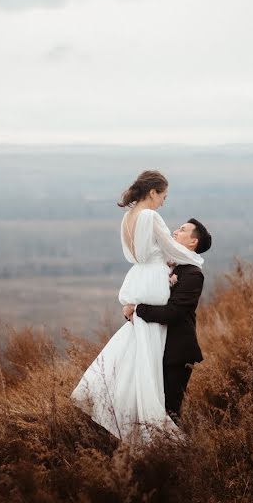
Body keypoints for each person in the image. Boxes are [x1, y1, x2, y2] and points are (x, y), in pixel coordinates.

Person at [71, 171, 203, 443]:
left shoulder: (127, 218)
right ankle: (150, 419)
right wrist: (195, 260)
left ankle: (125, 404)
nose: (164, 203)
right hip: (153, 279)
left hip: (139, 277)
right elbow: (170, 247)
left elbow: (134, 254)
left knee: (139, 345)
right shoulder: (150, 216)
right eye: (163, 196)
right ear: (153, 192)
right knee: (150, 348)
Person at [123, 218, 211, 425]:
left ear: (193, 242)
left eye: (182, 230)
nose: (174, 231)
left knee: (169, 412)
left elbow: (173, 312)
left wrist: (137, 310)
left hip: (177, 354)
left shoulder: (192, 274)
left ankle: (174, 454)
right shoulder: (170, 267)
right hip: (158, 349)